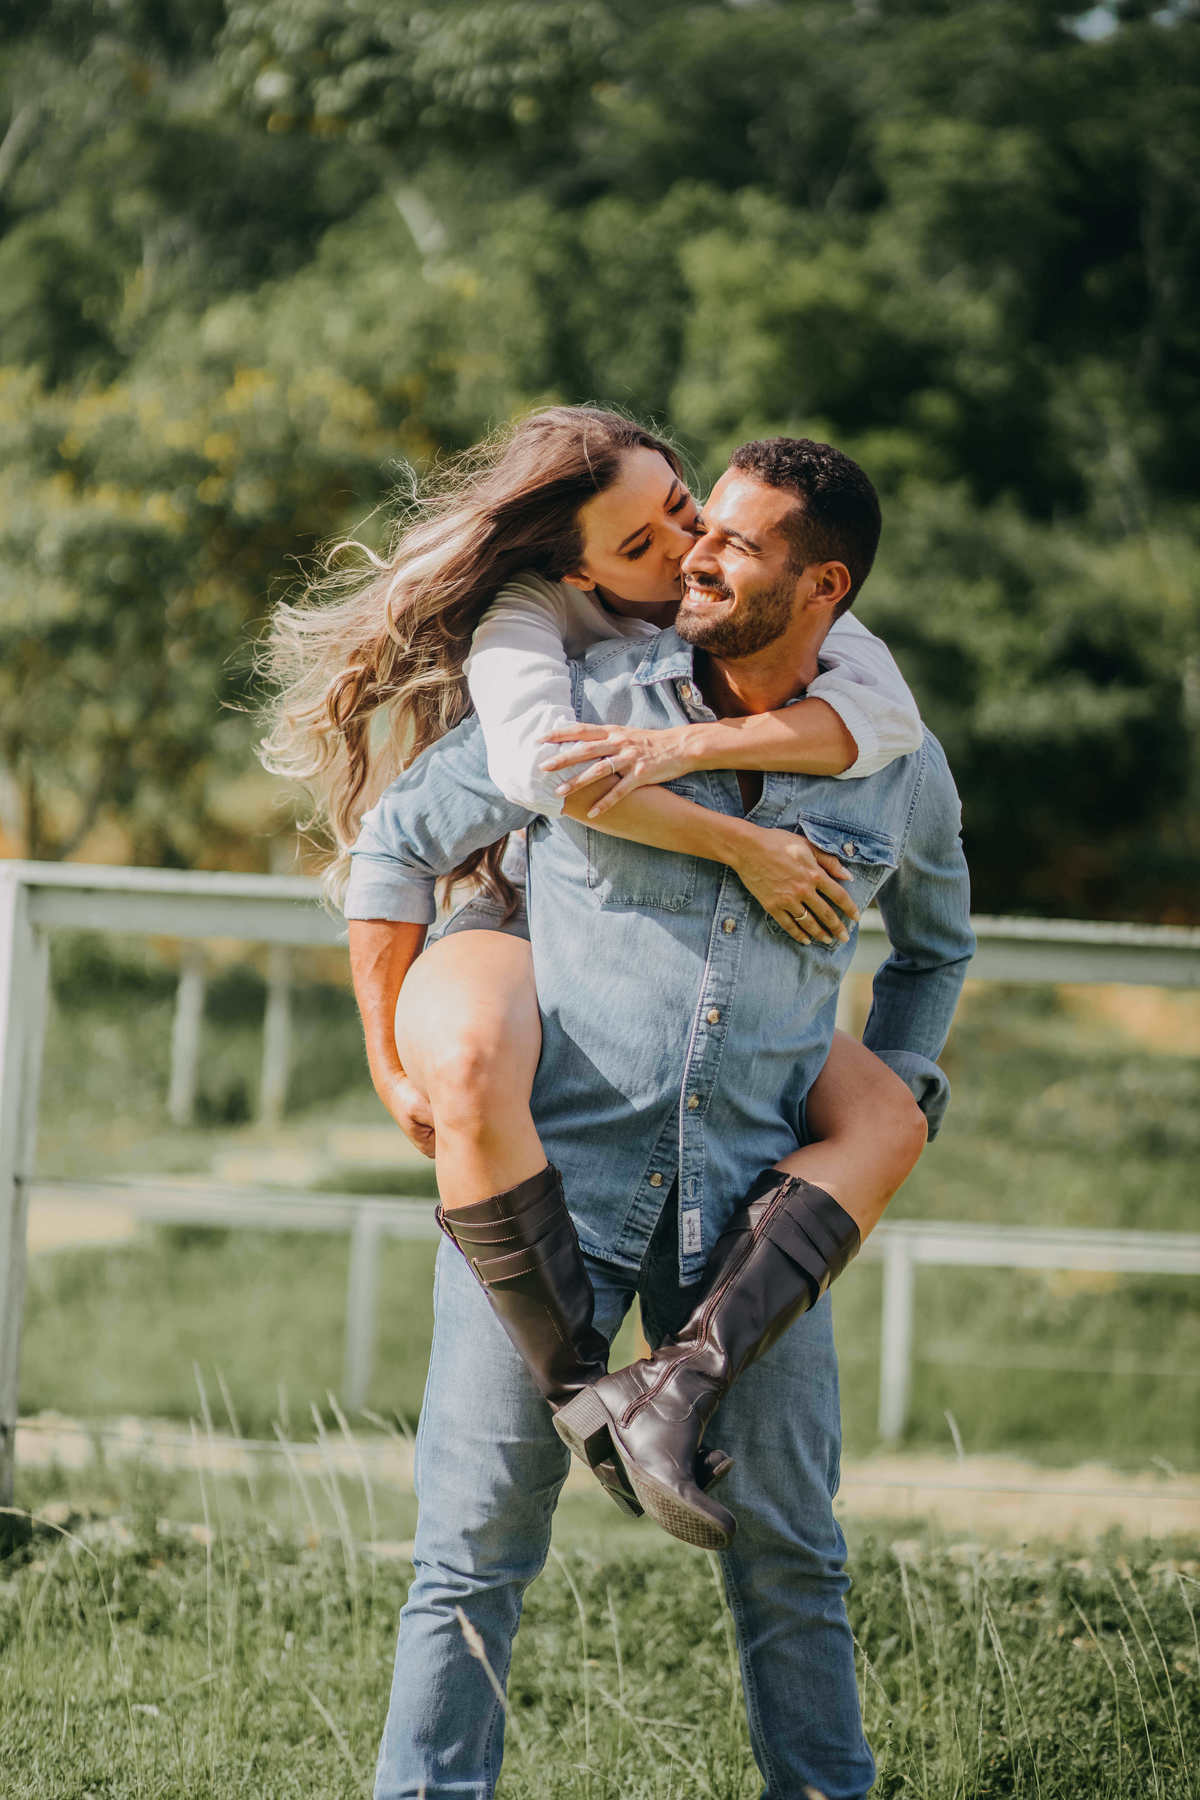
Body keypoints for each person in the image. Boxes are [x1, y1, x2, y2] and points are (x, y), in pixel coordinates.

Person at [344, 434, 974, 1799]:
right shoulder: (583, 710)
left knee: (794, 1554)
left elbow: (936, 948)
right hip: (547, 1188)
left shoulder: (893, 764)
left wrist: (896, 1095)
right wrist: (395, 1065)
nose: (696, 554)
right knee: (469, 1561)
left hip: (756, 1217)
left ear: (824, 589)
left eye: (737, 543)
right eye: (701, 529)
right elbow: (393, 844)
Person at [261, 408, 930, 1512]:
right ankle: (583, 1389)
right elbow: (542, 773)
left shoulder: (761, 604)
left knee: (891, 1118)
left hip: (683, 964)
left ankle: (667, 1391)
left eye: (688, 514)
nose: (685, 556)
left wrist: (692, 748)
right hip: (519, 912)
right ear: (576, 567)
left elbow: (882, 717)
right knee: (471, 1052)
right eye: (643, 547)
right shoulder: (531, 625)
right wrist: (746, 844)